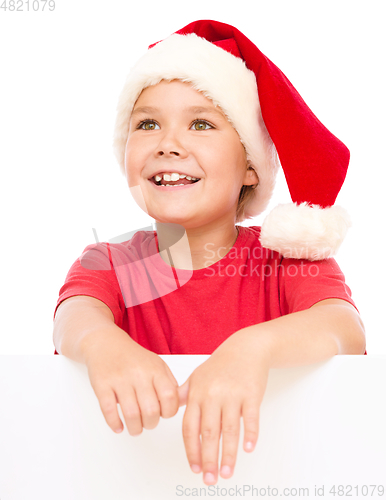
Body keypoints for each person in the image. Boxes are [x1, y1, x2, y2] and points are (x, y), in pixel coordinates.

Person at [53, 20, 366, 486]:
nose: (168, 144)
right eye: (147, 123)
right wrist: (101, 342)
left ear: (250, 168)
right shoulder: (113, 261)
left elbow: (345, 329)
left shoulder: (288, 258)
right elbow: (75, 314)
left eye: (201, 123)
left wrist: (251, 350)